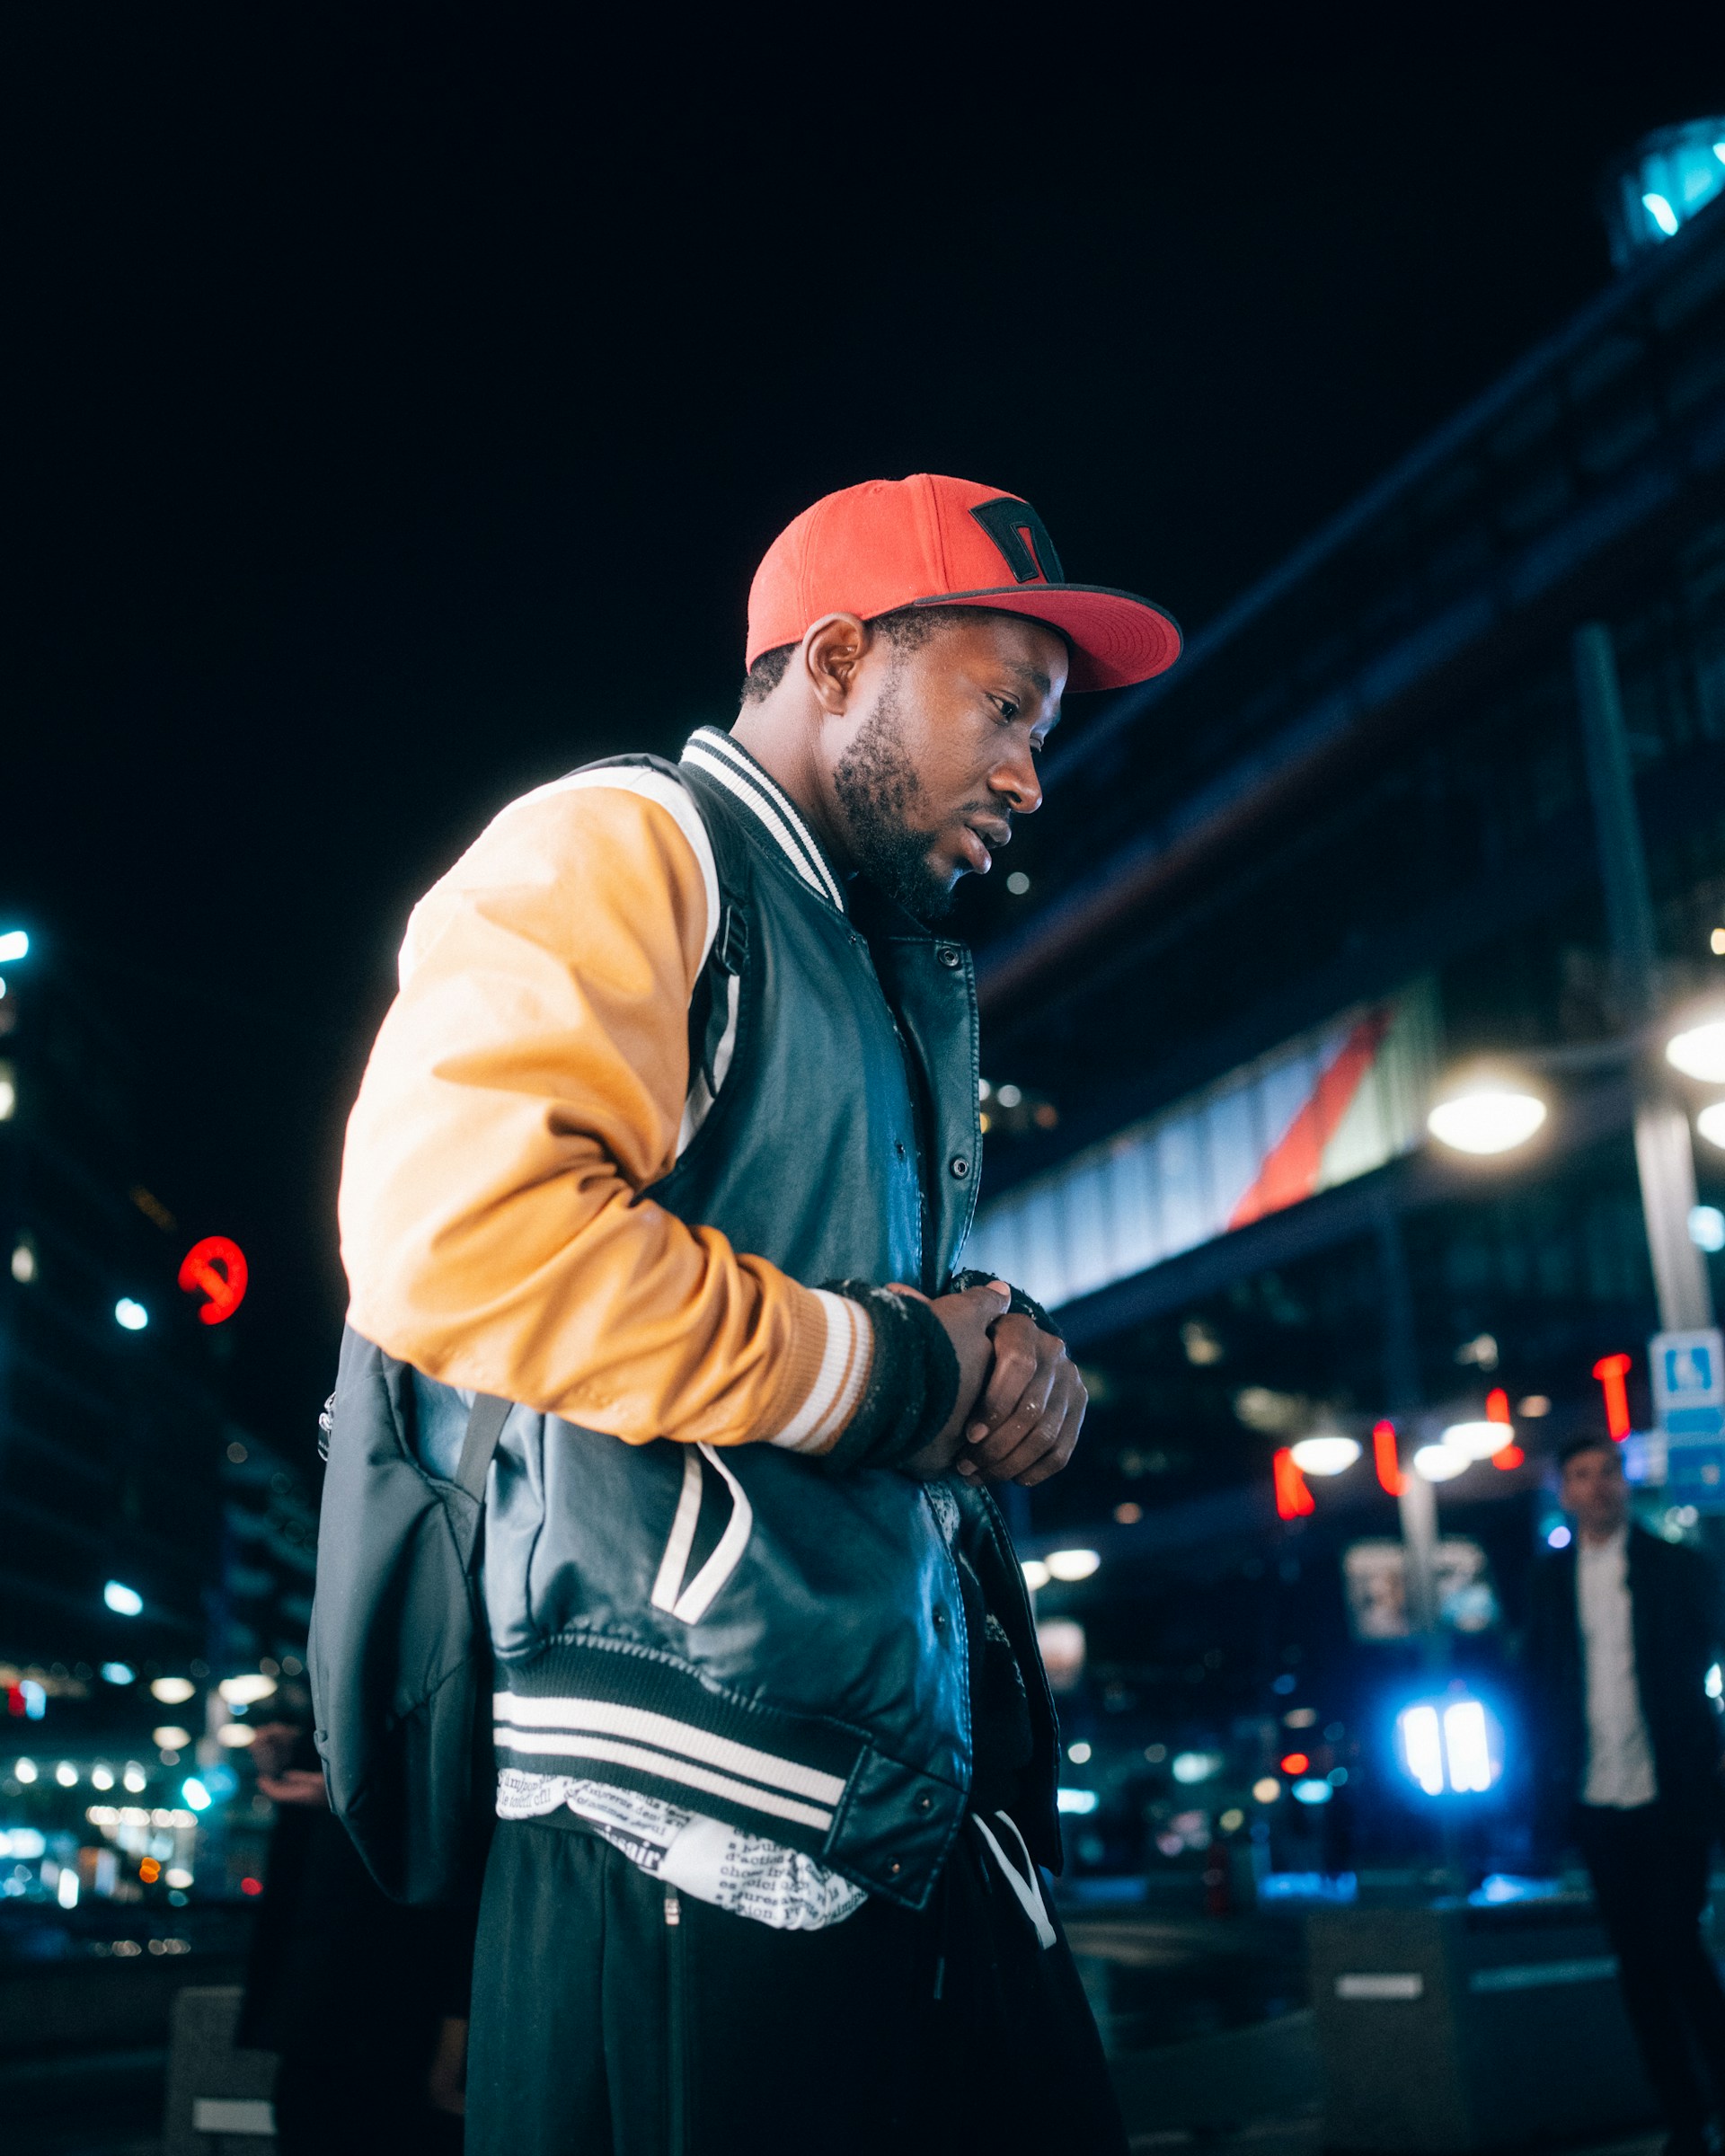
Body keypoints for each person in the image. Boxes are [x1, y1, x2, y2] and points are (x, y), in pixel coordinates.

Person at [336, 473, 1182, 2153]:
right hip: (686, 1799)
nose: (1030, 773)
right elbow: (455, 1235)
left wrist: (1008, 1363)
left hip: (896, 1792)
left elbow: (868, 1331)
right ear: (845, 658)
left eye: (1046, 728)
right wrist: (895, 1370)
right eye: (1004, 706)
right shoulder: (629, 842)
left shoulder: (879, 962)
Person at [1526, 1431, 1725, 2156]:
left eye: (1609, 1472)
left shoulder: (1675, 1568)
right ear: (1564, 1490)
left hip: (1673, 1793)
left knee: (1675, 1944)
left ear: (1624, 1482)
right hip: (1596, 1797)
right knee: (1638, 1966)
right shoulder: (1550, 1580)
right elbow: (1540, 1684)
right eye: (1582, 1474)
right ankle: (1683, 2121)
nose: (1600, 1485)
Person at [238, 1717, 471, 2152]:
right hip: (329, 1974)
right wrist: (301, 1752)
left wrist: (355, 1796)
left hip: (391, 1974)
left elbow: (463, 1793)